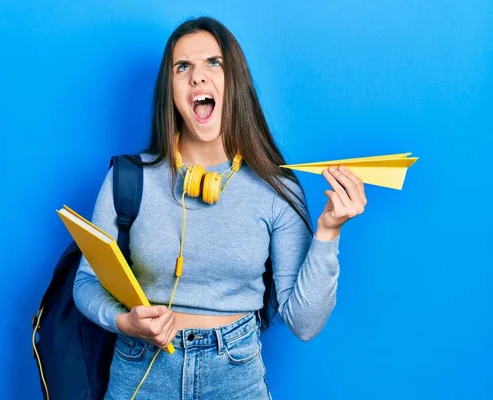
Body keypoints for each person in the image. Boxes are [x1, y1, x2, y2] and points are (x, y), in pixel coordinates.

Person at [73, 16, 367, 400]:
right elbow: (86, 283)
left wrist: (329, 232)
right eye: (183, 67)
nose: (198, 77)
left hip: (235, 375)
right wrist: (124, 321)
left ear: (235, 83)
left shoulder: (277, 188)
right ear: (171, 90)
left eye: (214, 63)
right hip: (141, 369)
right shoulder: (129, 179)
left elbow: (305, 323)